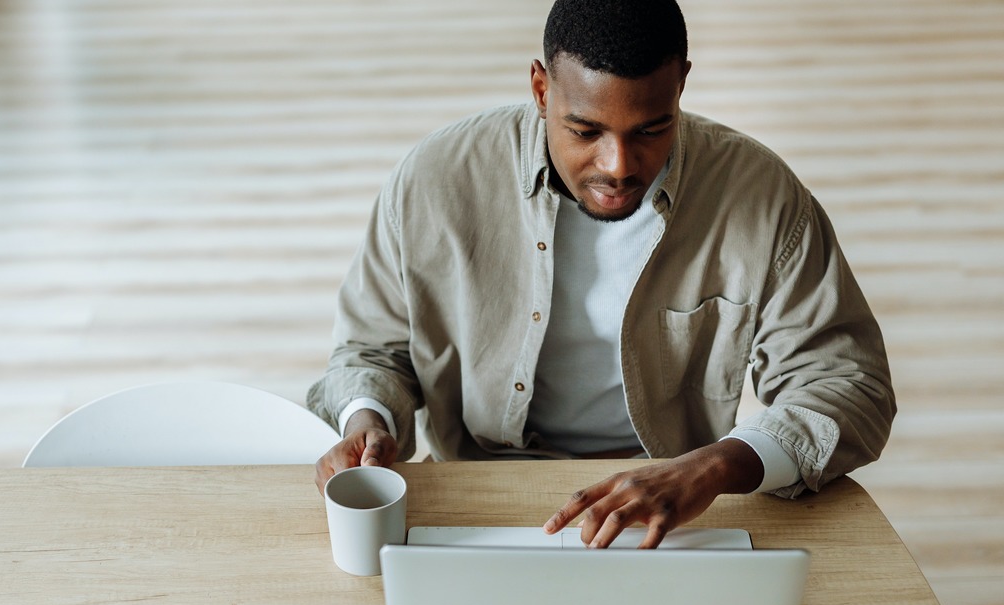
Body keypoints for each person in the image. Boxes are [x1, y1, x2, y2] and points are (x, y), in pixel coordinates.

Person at [307, 0, 895, 549]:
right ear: (541, 89)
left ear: (682, 83)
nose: (618, 166)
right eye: (586, 131)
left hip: (671, 503)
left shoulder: (761, 198)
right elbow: (370, 350)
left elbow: (849, 383)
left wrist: (715, 465)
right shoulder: (433, 182)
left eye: (650, 130)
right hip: (474, 495)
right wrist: (369, 419)